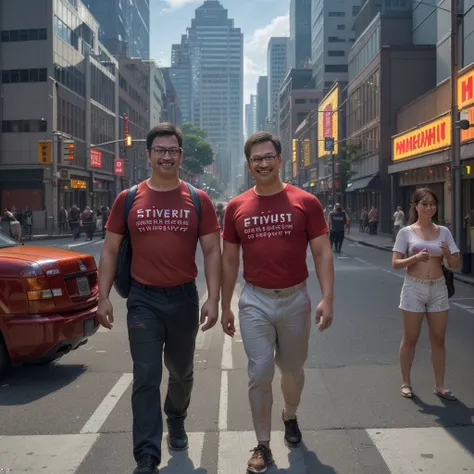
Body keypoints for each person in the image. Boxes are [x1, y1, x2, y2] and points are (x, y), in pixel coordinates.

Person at [97, 122, 221, 474]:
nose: (167, 156)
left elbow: (212, 250)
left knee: (181, 372)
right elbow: (109, 250)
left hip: (183, 298)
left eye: (173, 151)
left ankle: (176, 417)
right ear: (148, 154)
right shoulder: (129, 198)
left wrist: (213, 298)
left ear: (181, 157)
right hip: (143, 300)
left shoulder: (198, 199)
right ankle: (147, 455)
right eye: (160, 150)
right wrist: (102, 296)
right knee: (146, 374)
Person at [221, 131, 334, 473]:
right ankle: (263, 444)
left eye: (269, 156)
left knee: (292, 370)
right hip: (255, 299)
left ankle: (290, 414)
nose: (263, 163)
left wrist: (327, 297)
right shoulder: (236, 207)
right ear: (249, 165)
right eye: (256, 158)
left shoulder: (306, 202)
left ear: (280, 160)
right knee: (259, 372)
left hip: (295, 299)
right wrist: (225, 304)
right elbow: (228, 259)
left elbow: (322, 251)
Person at [392, 188, 460, 401]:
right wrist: (413, 259)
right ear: (416, 206)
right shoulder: (406, 232)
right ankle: (405, 382)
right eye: (424, 204)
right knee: (410, 338)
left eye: (432, 204)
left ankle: (440, 385)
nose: (429, 208)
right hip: (414, 287)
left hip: (438, 287)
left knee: (438, 338)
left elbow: (456, 264)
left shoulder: (444, 232)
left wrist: (448, 254)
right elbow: (395, 263)